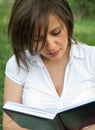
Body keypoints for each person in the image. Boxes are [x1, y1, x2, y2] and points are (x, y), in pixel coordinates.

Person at [3, 0, 95, 130]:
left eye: (56, 32)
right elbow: (9, 124)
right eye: (37, 39)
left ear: (67, 23)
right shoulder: (18, 64)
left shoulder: (92, 58)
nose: (50, 46)